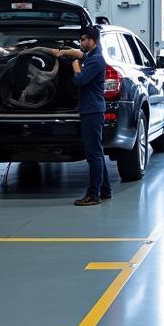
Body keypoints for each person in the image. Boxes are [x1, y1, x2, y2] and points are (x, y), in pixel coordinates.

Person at [67, 26, 111, 206]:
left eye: (84, 39)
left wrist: (75, 66)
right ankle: (105, 189)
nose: (81, 43)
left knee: (93, 155)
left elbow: (80, 80)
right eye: (81, 40)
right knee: (97, 153)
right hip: (91, 110)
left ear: (94, 40)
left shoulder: (96, 59)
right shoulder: (91, 57)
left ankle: (93, 195)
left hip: (92, 111)